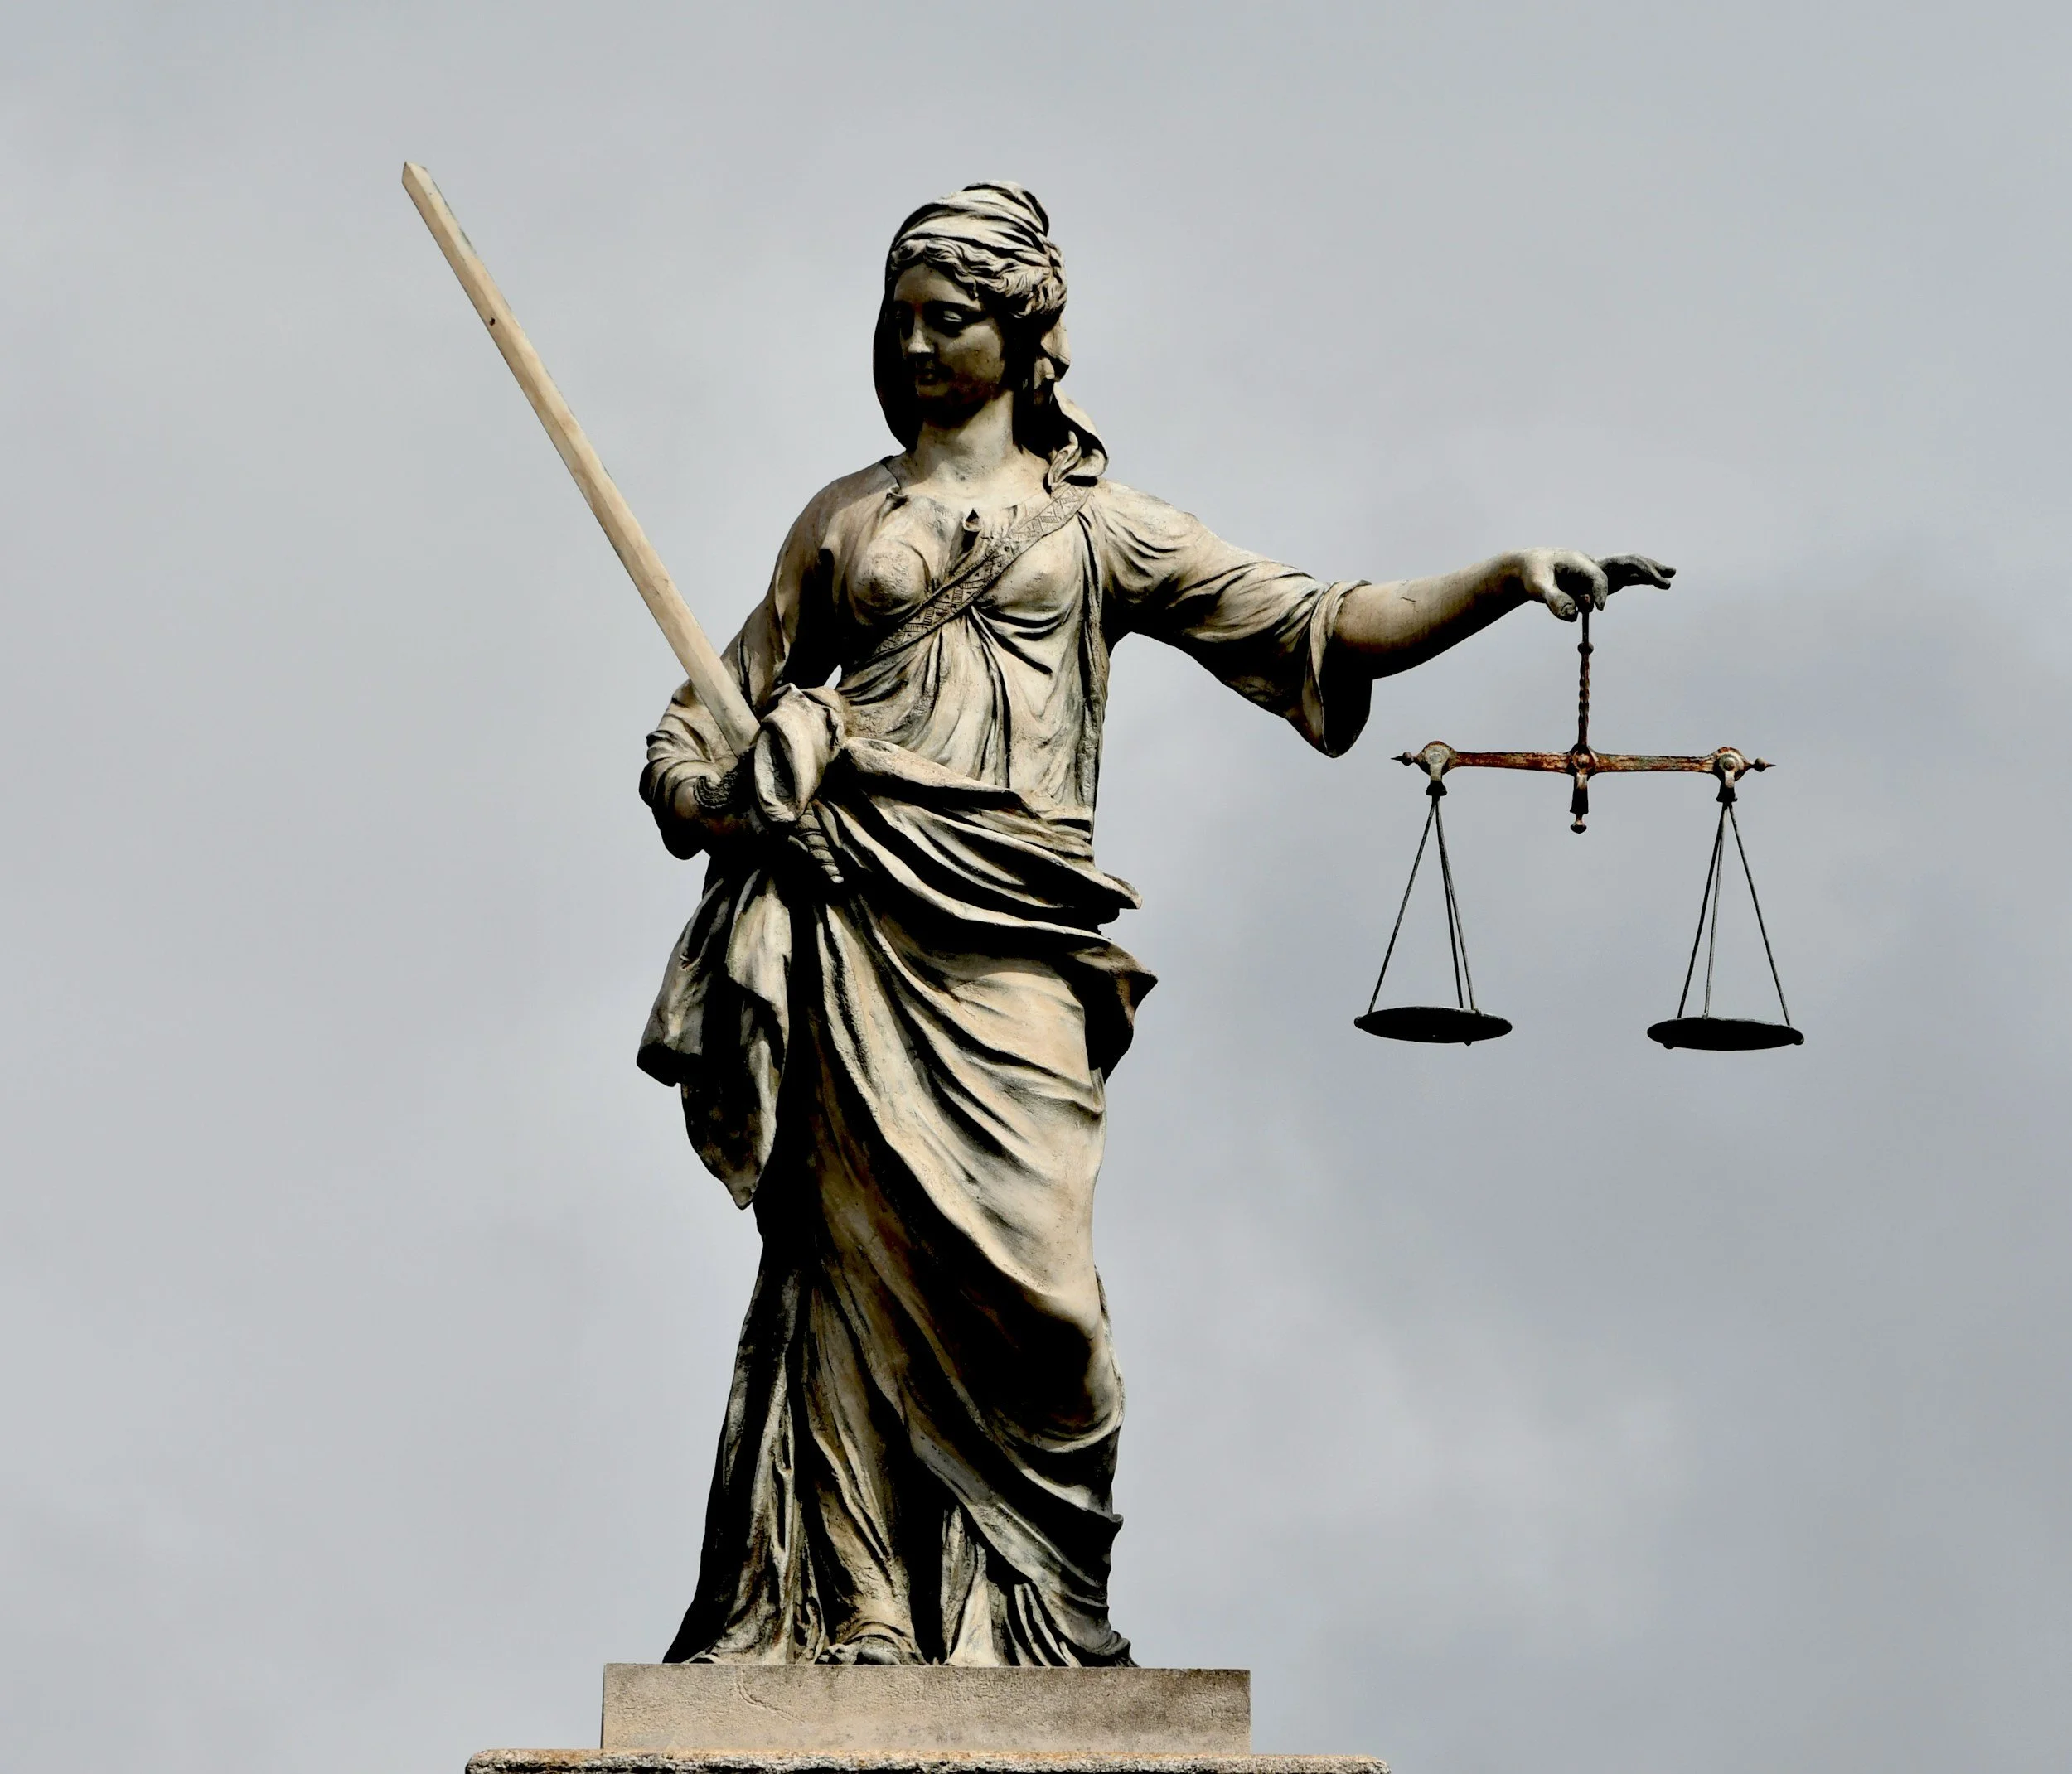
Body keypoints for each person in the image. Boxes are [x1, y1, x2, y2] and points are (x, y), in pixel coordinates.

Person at [637, 182, 1671, 1667]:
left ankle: (1042, 1615)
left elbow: (1313, 622)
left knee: (1046, 1310)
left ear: (1027, 332)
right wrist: (742, 786)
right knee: (844, 1271)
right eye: (904, 319)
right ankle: (860, 1611)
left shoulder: (1101, 530)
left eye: (955, 318)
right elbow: (688, 737)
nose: (922, 344)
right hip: (851, 920)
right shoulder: (841, 522)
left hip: (1013, 944)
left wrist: (1506, 581)